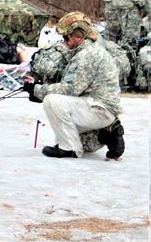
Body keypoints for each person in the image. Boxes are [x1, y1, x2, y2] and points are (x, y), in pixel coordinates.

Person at [24, 12, 124, 160]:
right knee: (79, 140)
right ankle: (107, 135)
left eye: (66, 38)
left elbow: (70, 89)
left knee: (52, 101)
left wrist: (37, 90)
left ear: (77, 37)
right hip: (100, 109)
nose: (64, 42)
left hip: (99, 109)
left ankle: (69, 149)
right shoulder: (90, 50)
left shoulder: (86, 56)